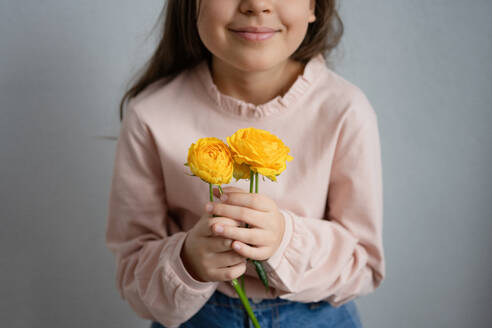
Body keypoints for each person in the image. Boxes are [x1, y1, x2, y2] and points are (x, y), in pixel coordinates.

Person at [105, 0, 385, 327]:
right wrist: (189, 262)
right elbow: (132, 272)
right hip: (198, 318)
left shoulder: (345, 111)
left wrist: (285, 242)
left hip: (316, 316)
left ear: (313, 6)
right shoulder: (150, 116)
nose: (257, 4)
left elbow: (364, 266)